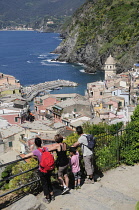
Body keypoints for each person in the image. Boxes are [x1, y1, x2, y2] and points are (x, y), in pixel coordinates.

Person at [24, 137, 55, 204]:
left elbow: (26, 156)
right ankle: (52, 195)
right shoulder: (46, 149)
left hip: (42, 170)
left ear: (35, 144)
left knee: (44, 184)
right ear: (41, 142)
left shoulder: (36, 151)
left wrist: (33, 154)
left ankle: (47, 198)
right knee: (49, 182)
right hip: (49, 168)